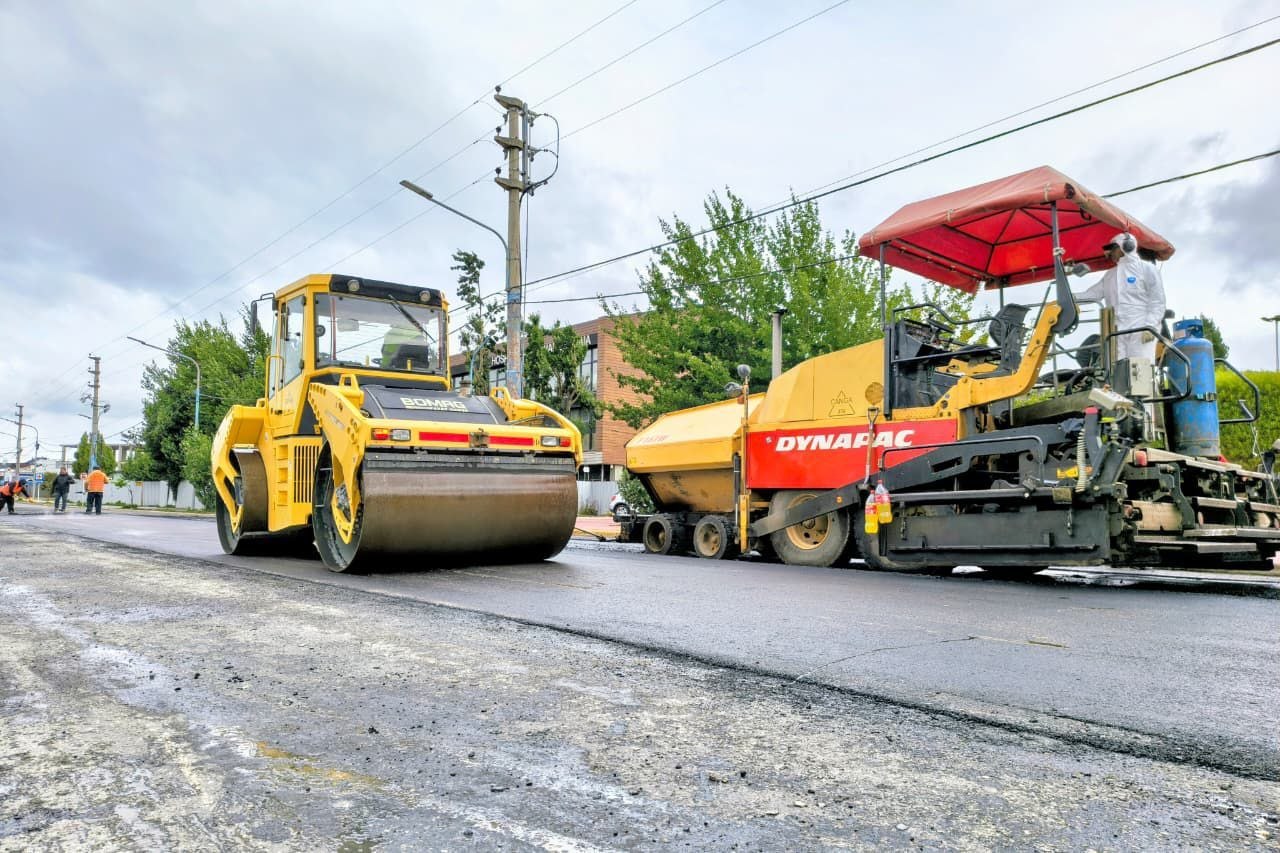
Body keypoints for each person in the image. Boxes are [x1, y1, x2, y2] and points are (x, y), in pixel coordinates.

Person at [1077, 232, 1166, 363]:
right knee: (1118, 368)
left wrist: (1150, 326)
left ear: (1126, 246)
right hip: (1117, 330)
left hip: (1140, 328)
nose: (1110, 253)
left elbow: (1157, 301)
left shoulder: (1147, 269)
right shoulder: (1110, 275)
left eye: (1113, 249)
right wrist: (1068, 298)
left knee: (1140, 367)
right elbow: (1092, 294)